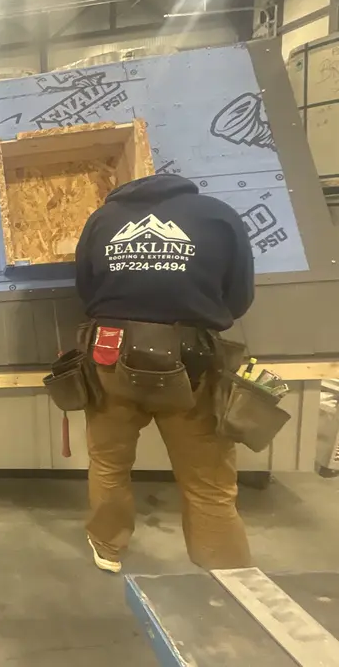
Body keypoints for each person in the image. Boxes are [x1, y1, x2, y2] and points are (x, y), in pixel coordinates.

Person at [74, 173, 255, 573]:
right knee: (208, 481)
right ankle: (226, 575)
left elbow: (87, 292)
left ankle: (108, 546)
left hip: (110, 358)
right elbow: (239, 296)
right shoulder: (218, 216)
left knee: (108, 463)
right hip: (194, 364)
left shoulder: (102, 220)